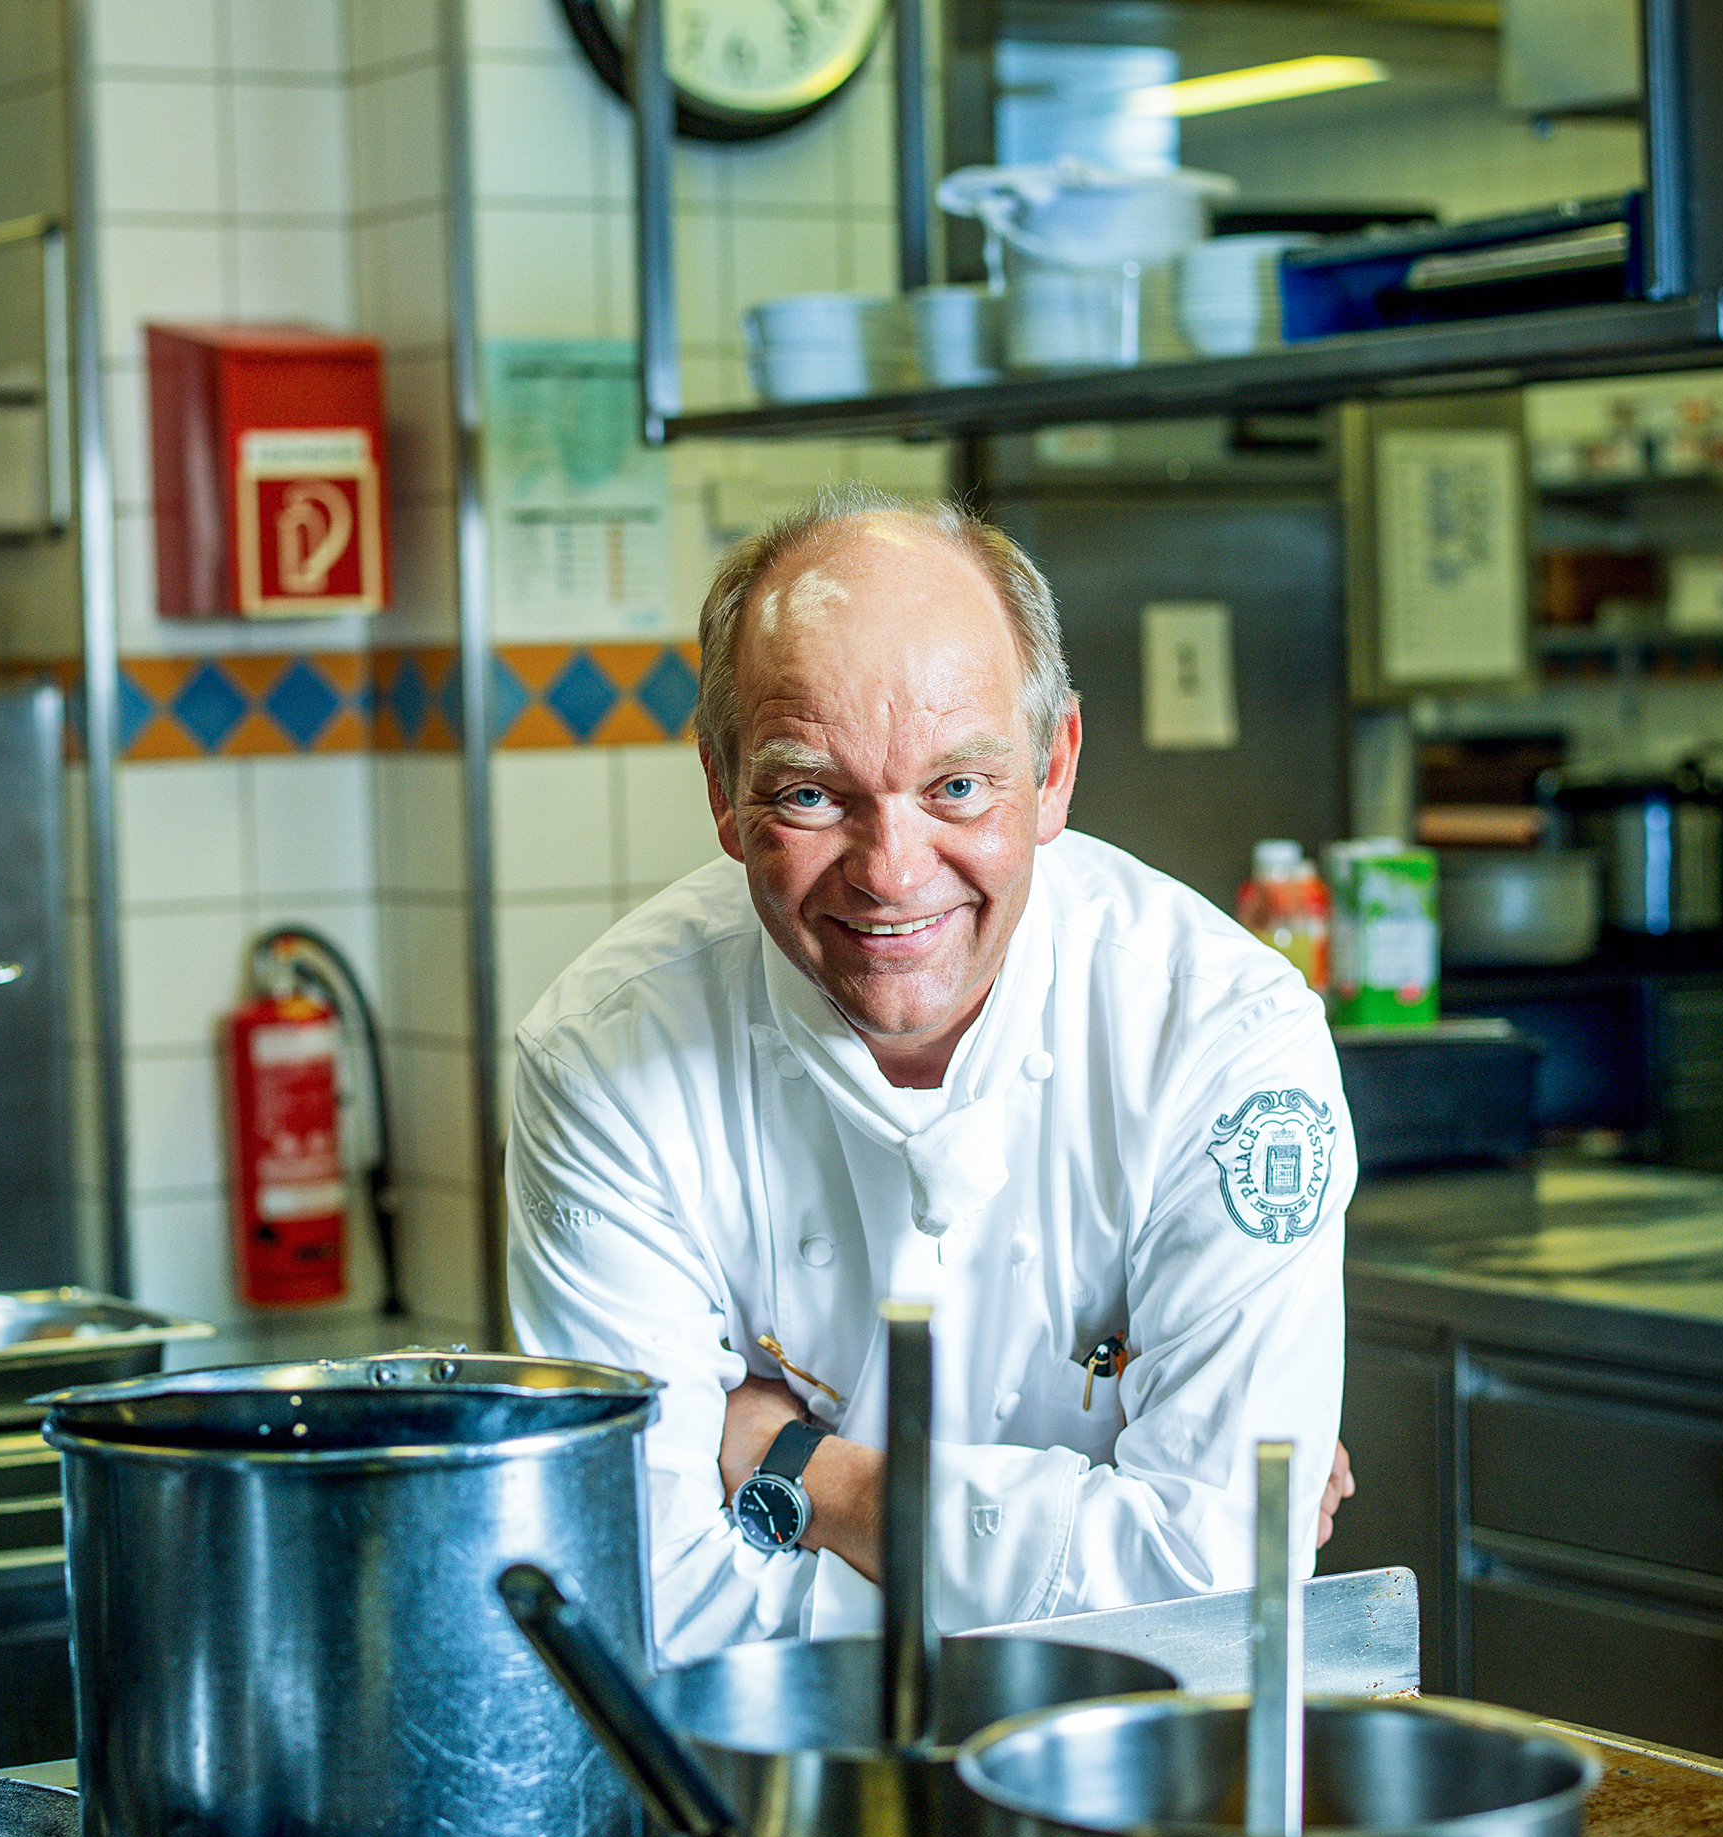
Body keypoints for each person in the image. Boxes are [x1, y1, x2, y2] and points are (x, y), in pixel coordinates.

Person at [506, 487, 1355, 1664]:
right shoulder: (606, 1056)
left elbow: (1221, 1584)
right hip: (774, 1794)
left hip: (1142, 1798)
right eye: (810, 794)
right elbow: (637, 1595)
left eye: (957, 787)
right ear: (720, 787)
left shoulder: (1220, 1038)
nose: (892, 874)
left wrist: (807, 1473)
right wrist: (1102, 1545)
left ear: (1053, 770)